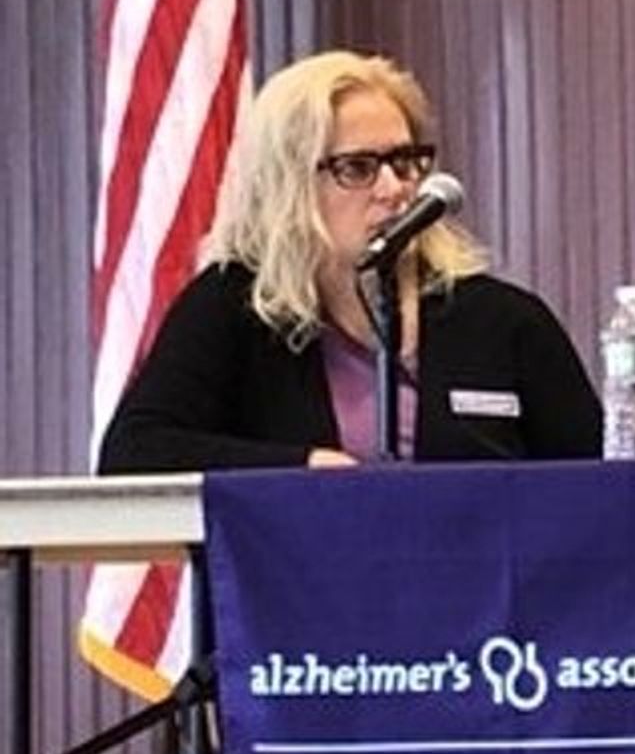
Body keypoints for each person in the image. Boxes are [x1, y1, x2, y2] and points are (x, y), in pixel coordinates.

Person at [98, 49, 600, 473]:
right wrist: (306, 468)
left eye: (405, 162)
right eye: (357, 168)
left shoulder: (503, 320)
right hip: (298, 587)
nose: (394, 189)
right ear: (289, 185)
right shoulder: (235, 304)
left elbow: (601, 478)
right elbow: (133, 453)